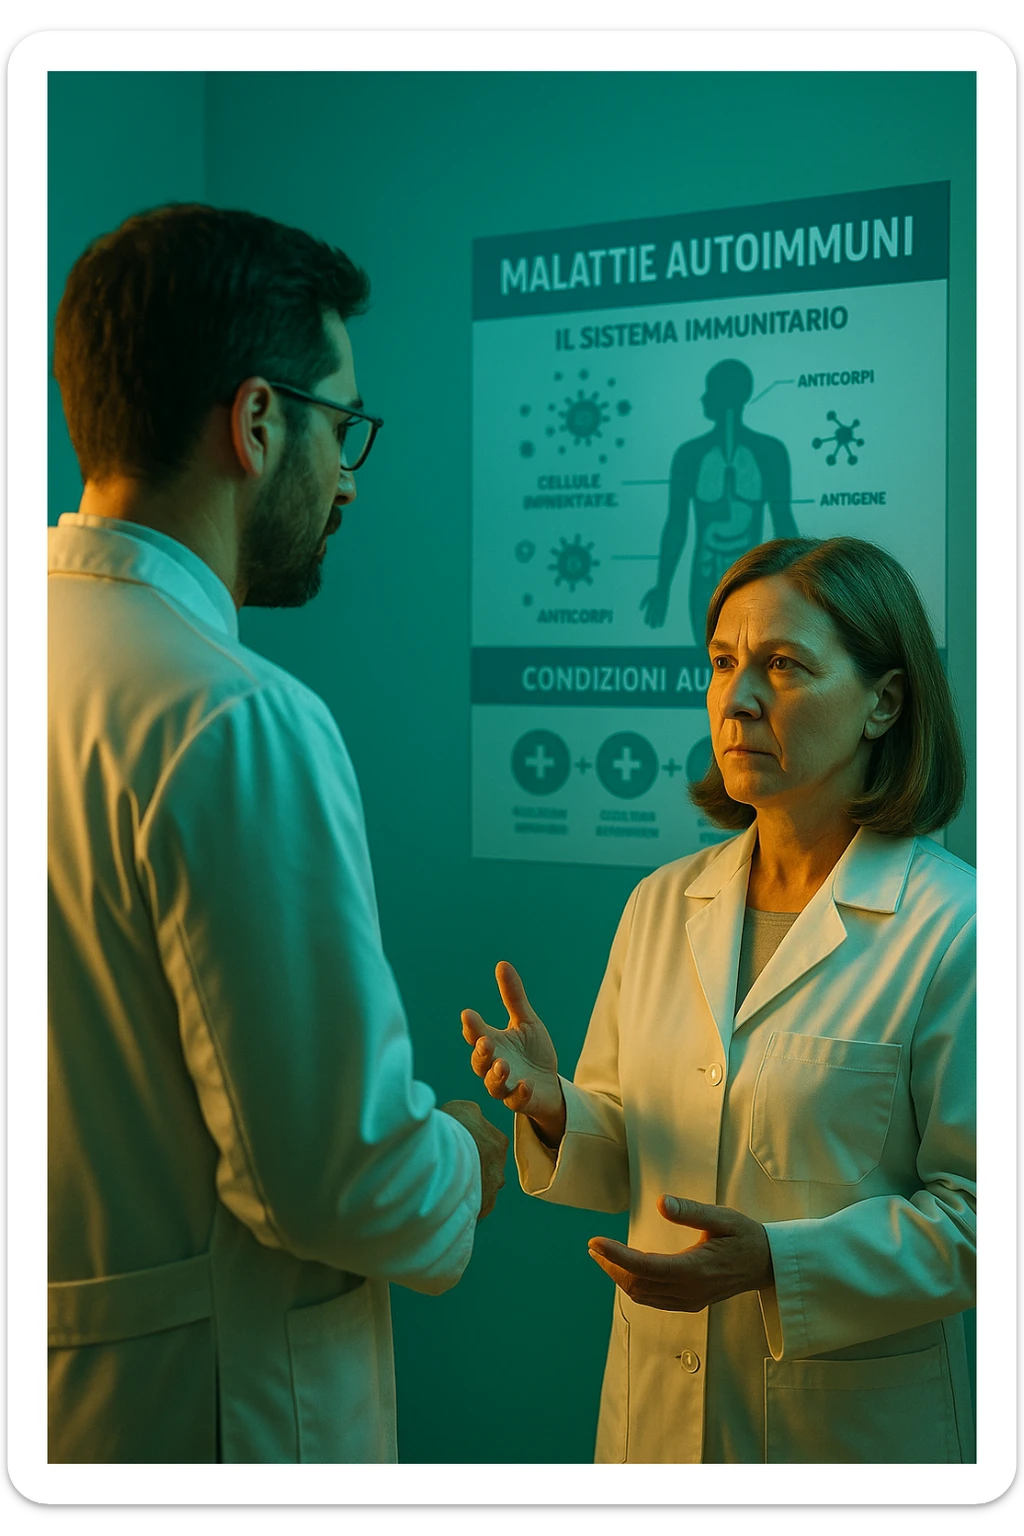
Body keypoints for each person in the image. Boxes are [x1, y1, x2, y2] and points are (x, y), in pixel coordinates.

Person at [48, 204, 507, 1465]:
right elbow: (333, 1181)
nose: (350, 473)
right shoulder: (233, 717)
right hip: (210, 1420)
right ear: (257, 424)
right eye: (341, 424)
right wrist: (467, 1152)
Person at [464, 536, 975, 1464]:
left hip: (851, 1441)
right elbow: (640, 1146)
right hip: (652, 1423)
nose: (737, 699)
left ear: (884, 703)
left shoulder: (957, 928)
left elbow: (982, 1217)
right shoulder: (664, 902)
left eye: (782, 666)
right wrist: (555, 1110)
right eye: (724, 663)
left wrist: (778, 1264)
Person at [640, 359, 797, 643]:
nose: (703, 398)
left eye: (709, 390)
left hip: (757, 580)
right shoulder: (689, 455)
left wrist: (798, 588)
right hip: (705, 579)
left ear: (727, 395)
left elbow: (785, 525)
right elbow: (676, 525)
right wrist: (663, 585)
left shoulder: (770, 452)